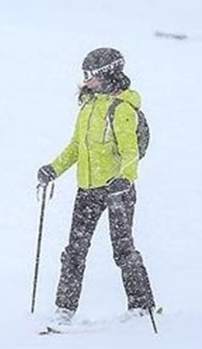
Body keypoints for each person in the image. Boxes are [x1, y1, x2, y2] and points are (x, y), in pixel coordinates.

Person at [37, 48, 155, 332]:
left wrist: (124, 178)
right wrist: (53, 168)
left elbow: (130, 153)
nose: (85, 81)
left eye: (90, 75)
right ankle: (64, 308)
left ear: (107, 74)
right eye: (84, 75)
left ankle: (141, 305)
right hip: (87, 189)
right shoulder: (88, 107)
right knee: (75, 250)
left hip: (117, 190)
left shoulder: (122, 109)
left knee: (123, 249)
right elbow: (77, 147)